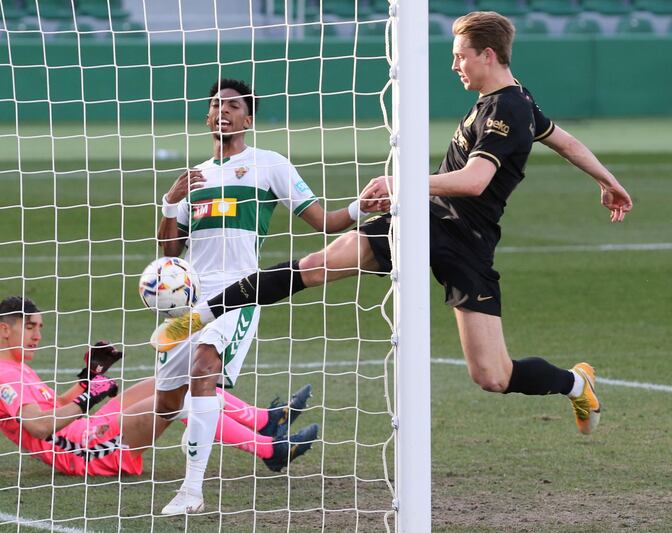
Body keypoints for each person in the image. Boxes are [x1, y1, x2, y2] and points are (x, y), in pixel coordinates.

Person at [151, 12, 633, 438]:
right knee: (316, 265)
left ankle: (576, 383)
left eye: (459, 56)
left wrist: (399, 183)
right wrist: (609, 180)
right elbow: (564, 140)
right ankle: (202, 316)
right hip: (423, 220)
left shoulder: (509, 106)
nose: (454, 65)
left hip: (467, 242)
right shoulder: (510, 100)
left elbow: (474, 181)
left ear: (487, 55)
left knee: (492, 375)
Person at [143, 77, 384, 515]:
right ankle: (185, 427)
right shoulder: (191, 179)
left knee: (204, 369)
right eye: (216, 105)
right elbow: (169, 254)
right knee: (165, 402)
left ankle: (191, 492)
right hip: (190, 301)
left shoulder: (269, 165)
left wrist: (358, 210)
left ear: (248, 119)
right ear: (207, 117)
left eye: (233, 106)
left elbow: (324, 223)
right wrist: (169, 202)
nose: (223, 111)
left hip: (240, 292)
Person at [0, 295, 314, 477]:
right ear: (4, 329)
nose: (37, 335)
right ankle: (270, 450)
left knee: (169, 381)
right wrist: (86, 401)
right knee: (175, 401)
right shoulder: (3, 377)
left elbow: (52, 408)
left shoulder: (15, 368)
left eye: (39, 327)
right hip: (83, 450)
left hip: (85, 427)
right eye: (29, 327)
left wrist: (89, 378)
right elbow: (39, 427)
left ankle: (265, 421)